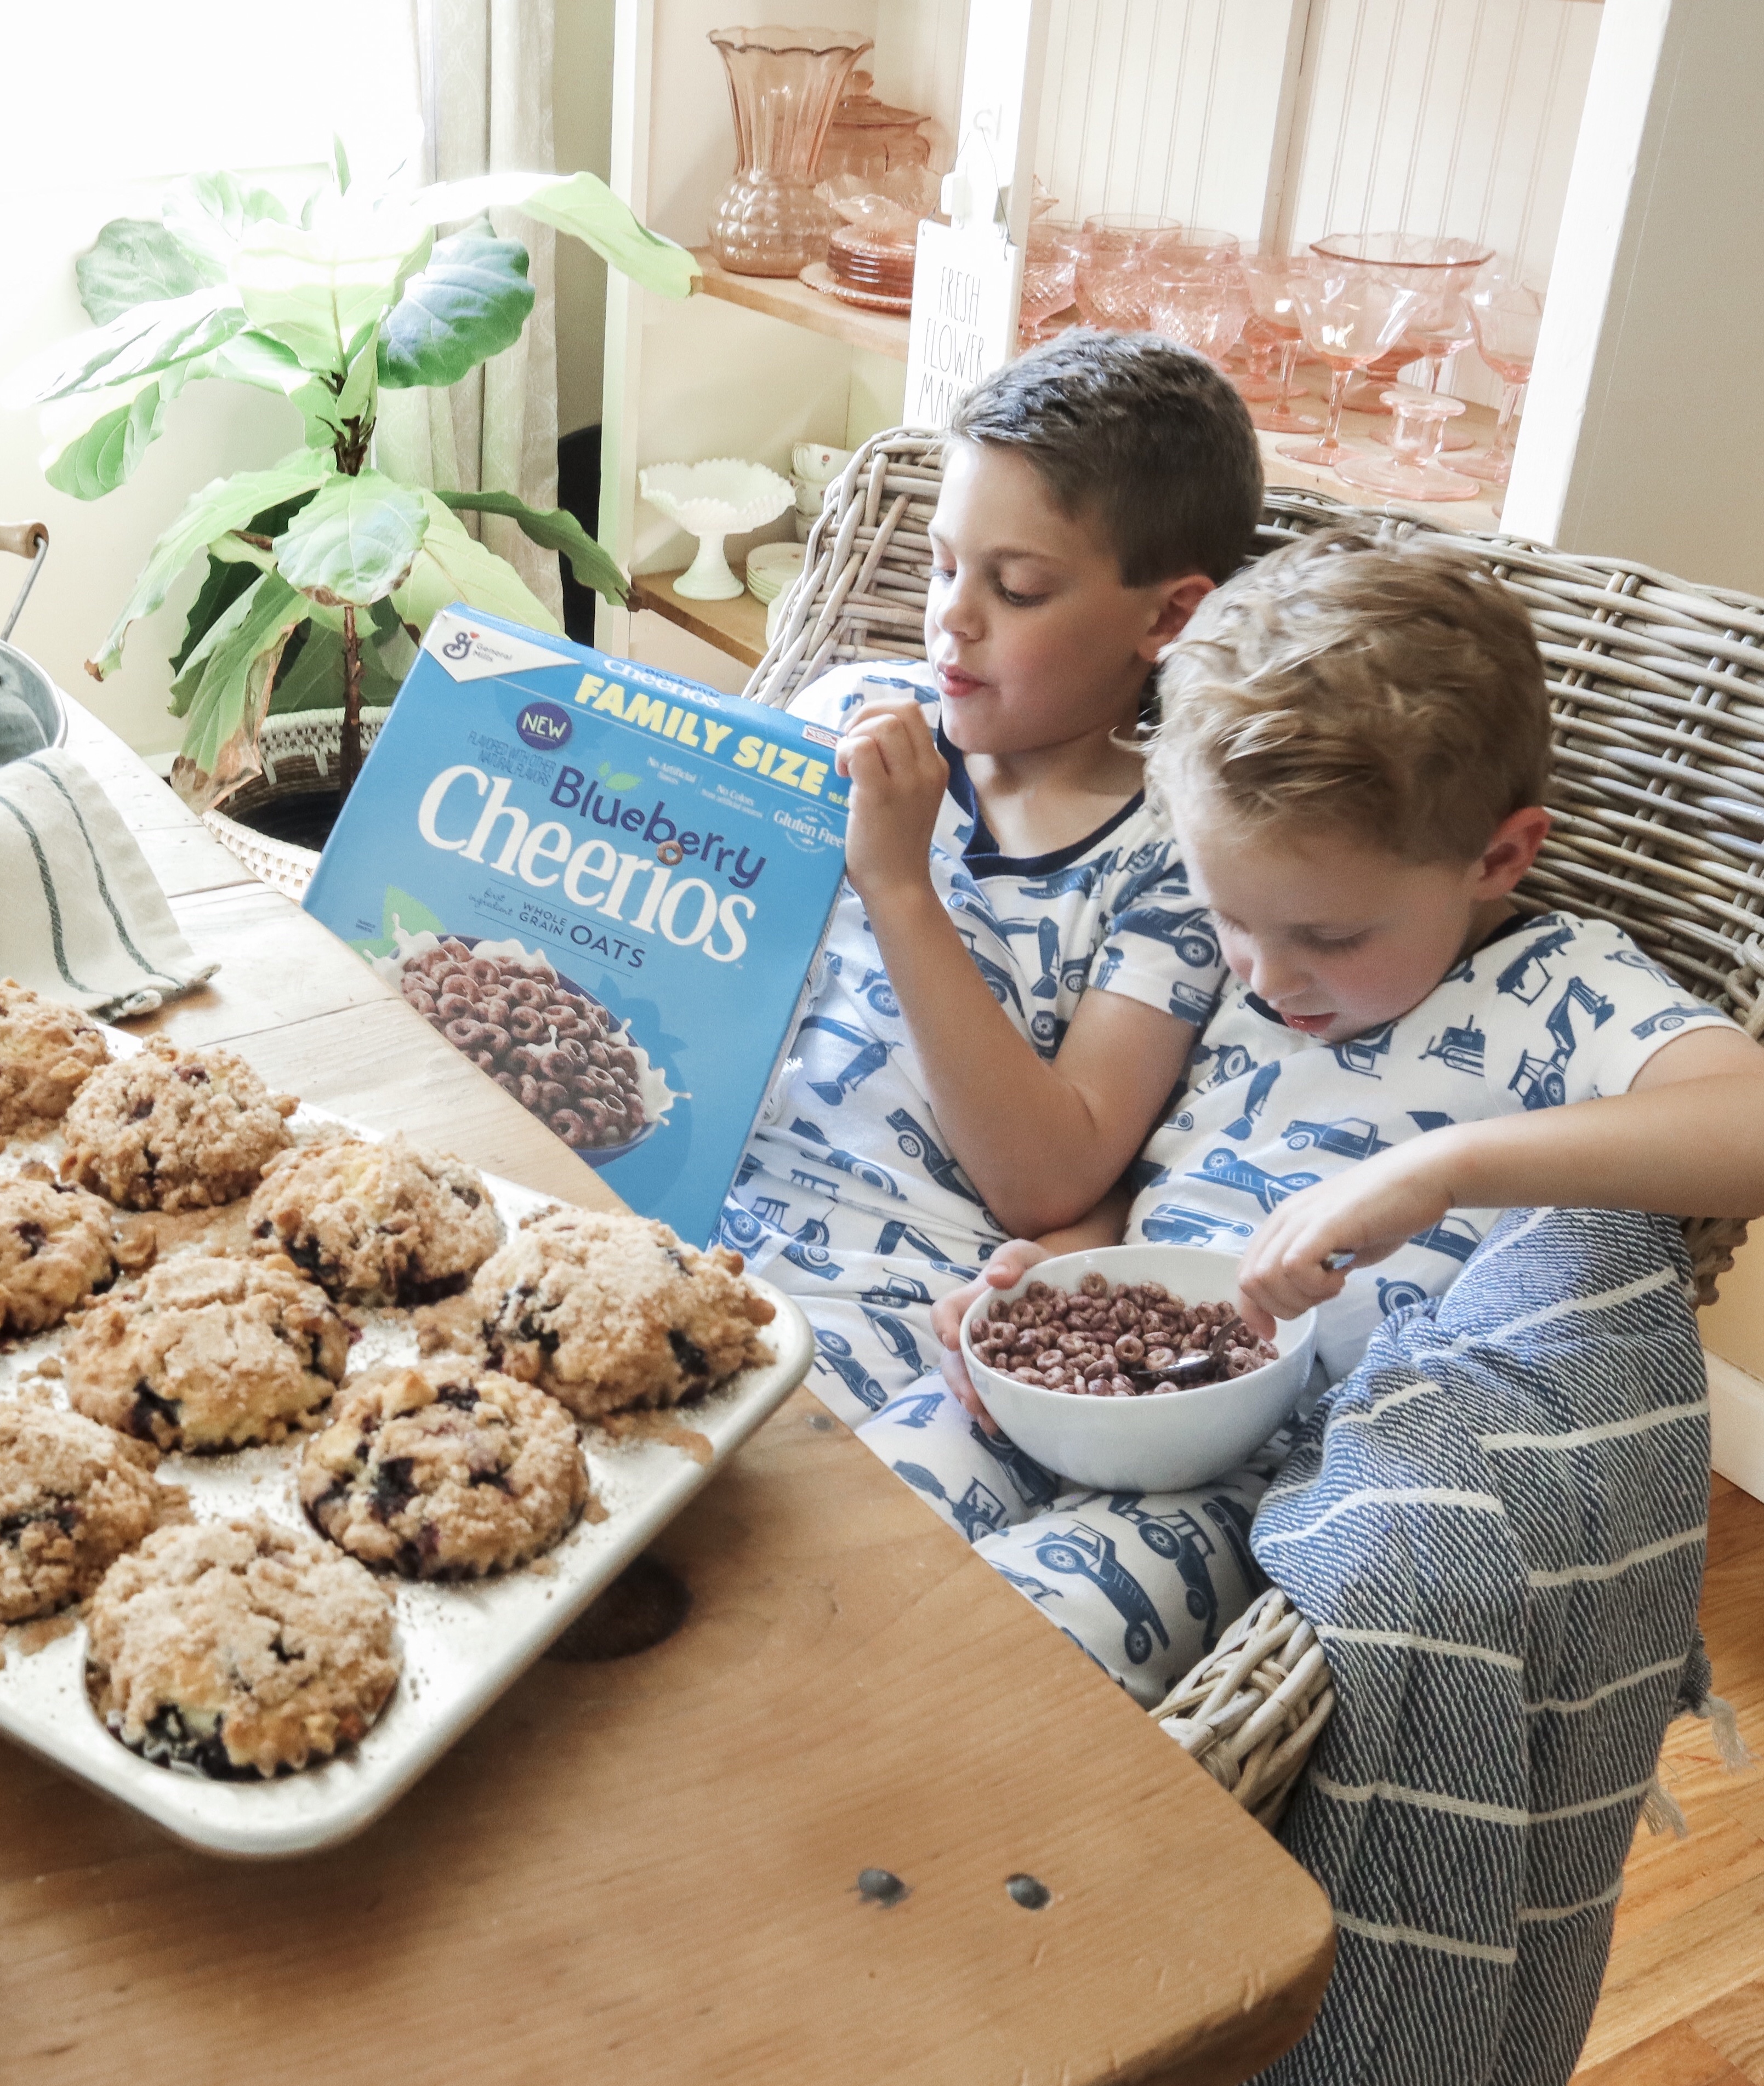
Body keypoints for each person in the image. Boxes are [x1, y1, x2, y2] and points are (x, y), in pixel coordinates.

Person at [889, 528, 1764, 1702]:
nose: (1268, 978)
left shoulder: (1565, 990)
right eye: (1233, 918)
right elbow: (1156, 1174)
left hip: (1265, 1486)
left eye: (1332, 937)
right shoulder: (1252, 967)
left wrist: (1443, 1169)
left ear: (1498, 856)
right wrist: (1050, 1276)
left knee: (987, 1663)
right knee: (846, 1522)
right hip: (1073, 1407)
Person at [716, 333, 1264, 1436]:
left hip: (864, 1300)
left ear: (1168, 617)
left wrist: (901, 891)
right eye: (941, 564)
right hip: (669, 1189)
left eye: (1015, 588)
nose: (953, 617)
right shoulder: (850, 708)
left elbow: (1052, 1177)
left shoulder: (1171, 854)